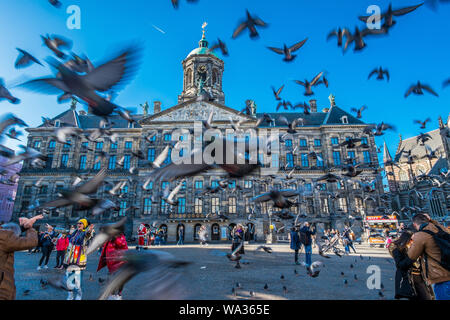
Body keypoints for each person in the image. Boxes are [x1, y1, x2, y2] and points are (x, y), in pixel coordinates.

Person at [396, 214, 450, 300]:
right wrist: (431, 220)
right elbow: (446, 231)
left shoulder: (421, 235)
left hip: (440, 277)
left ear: (414, 224)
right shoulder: (440, 229)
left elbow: (411, 256)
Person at [0, 214, 43, 300]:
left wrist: (24, 226)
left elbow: (11, 237)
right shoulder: (3, 237)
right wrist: (30, 228)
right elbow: (31, 242)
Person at [388, 229, 434, 300]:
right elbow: (400, 265)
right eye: (412, 239)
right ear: (406, 239)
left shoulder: (416, 248)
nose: (413, 242)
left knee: (428, 297)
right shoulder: (397, 249)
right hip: (408, 278)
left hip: (421, 277)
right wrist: (412, 258)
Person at [63, 218, 94, 300]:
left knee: (77, 279)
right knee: (69, 279)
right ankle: (70, 294)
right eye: (78, 223)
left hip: (79, 260)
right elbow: (65, 233)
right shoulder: (74, 232)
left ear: (84, 225)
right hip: (70, 259)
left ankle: (79, 294)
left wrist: (90, 230)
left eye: (81, 223)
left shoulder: (84, 234)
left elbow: (88, 235)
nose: (79, 224)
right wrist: (53, 229)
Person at [97, 232, 128, 300]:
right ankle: (113, 294)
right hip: (111, 264)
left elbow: (122, 244)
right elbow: (104, 246)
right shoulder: (109, 239)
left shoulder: (121, 237)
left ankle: (118, 294)